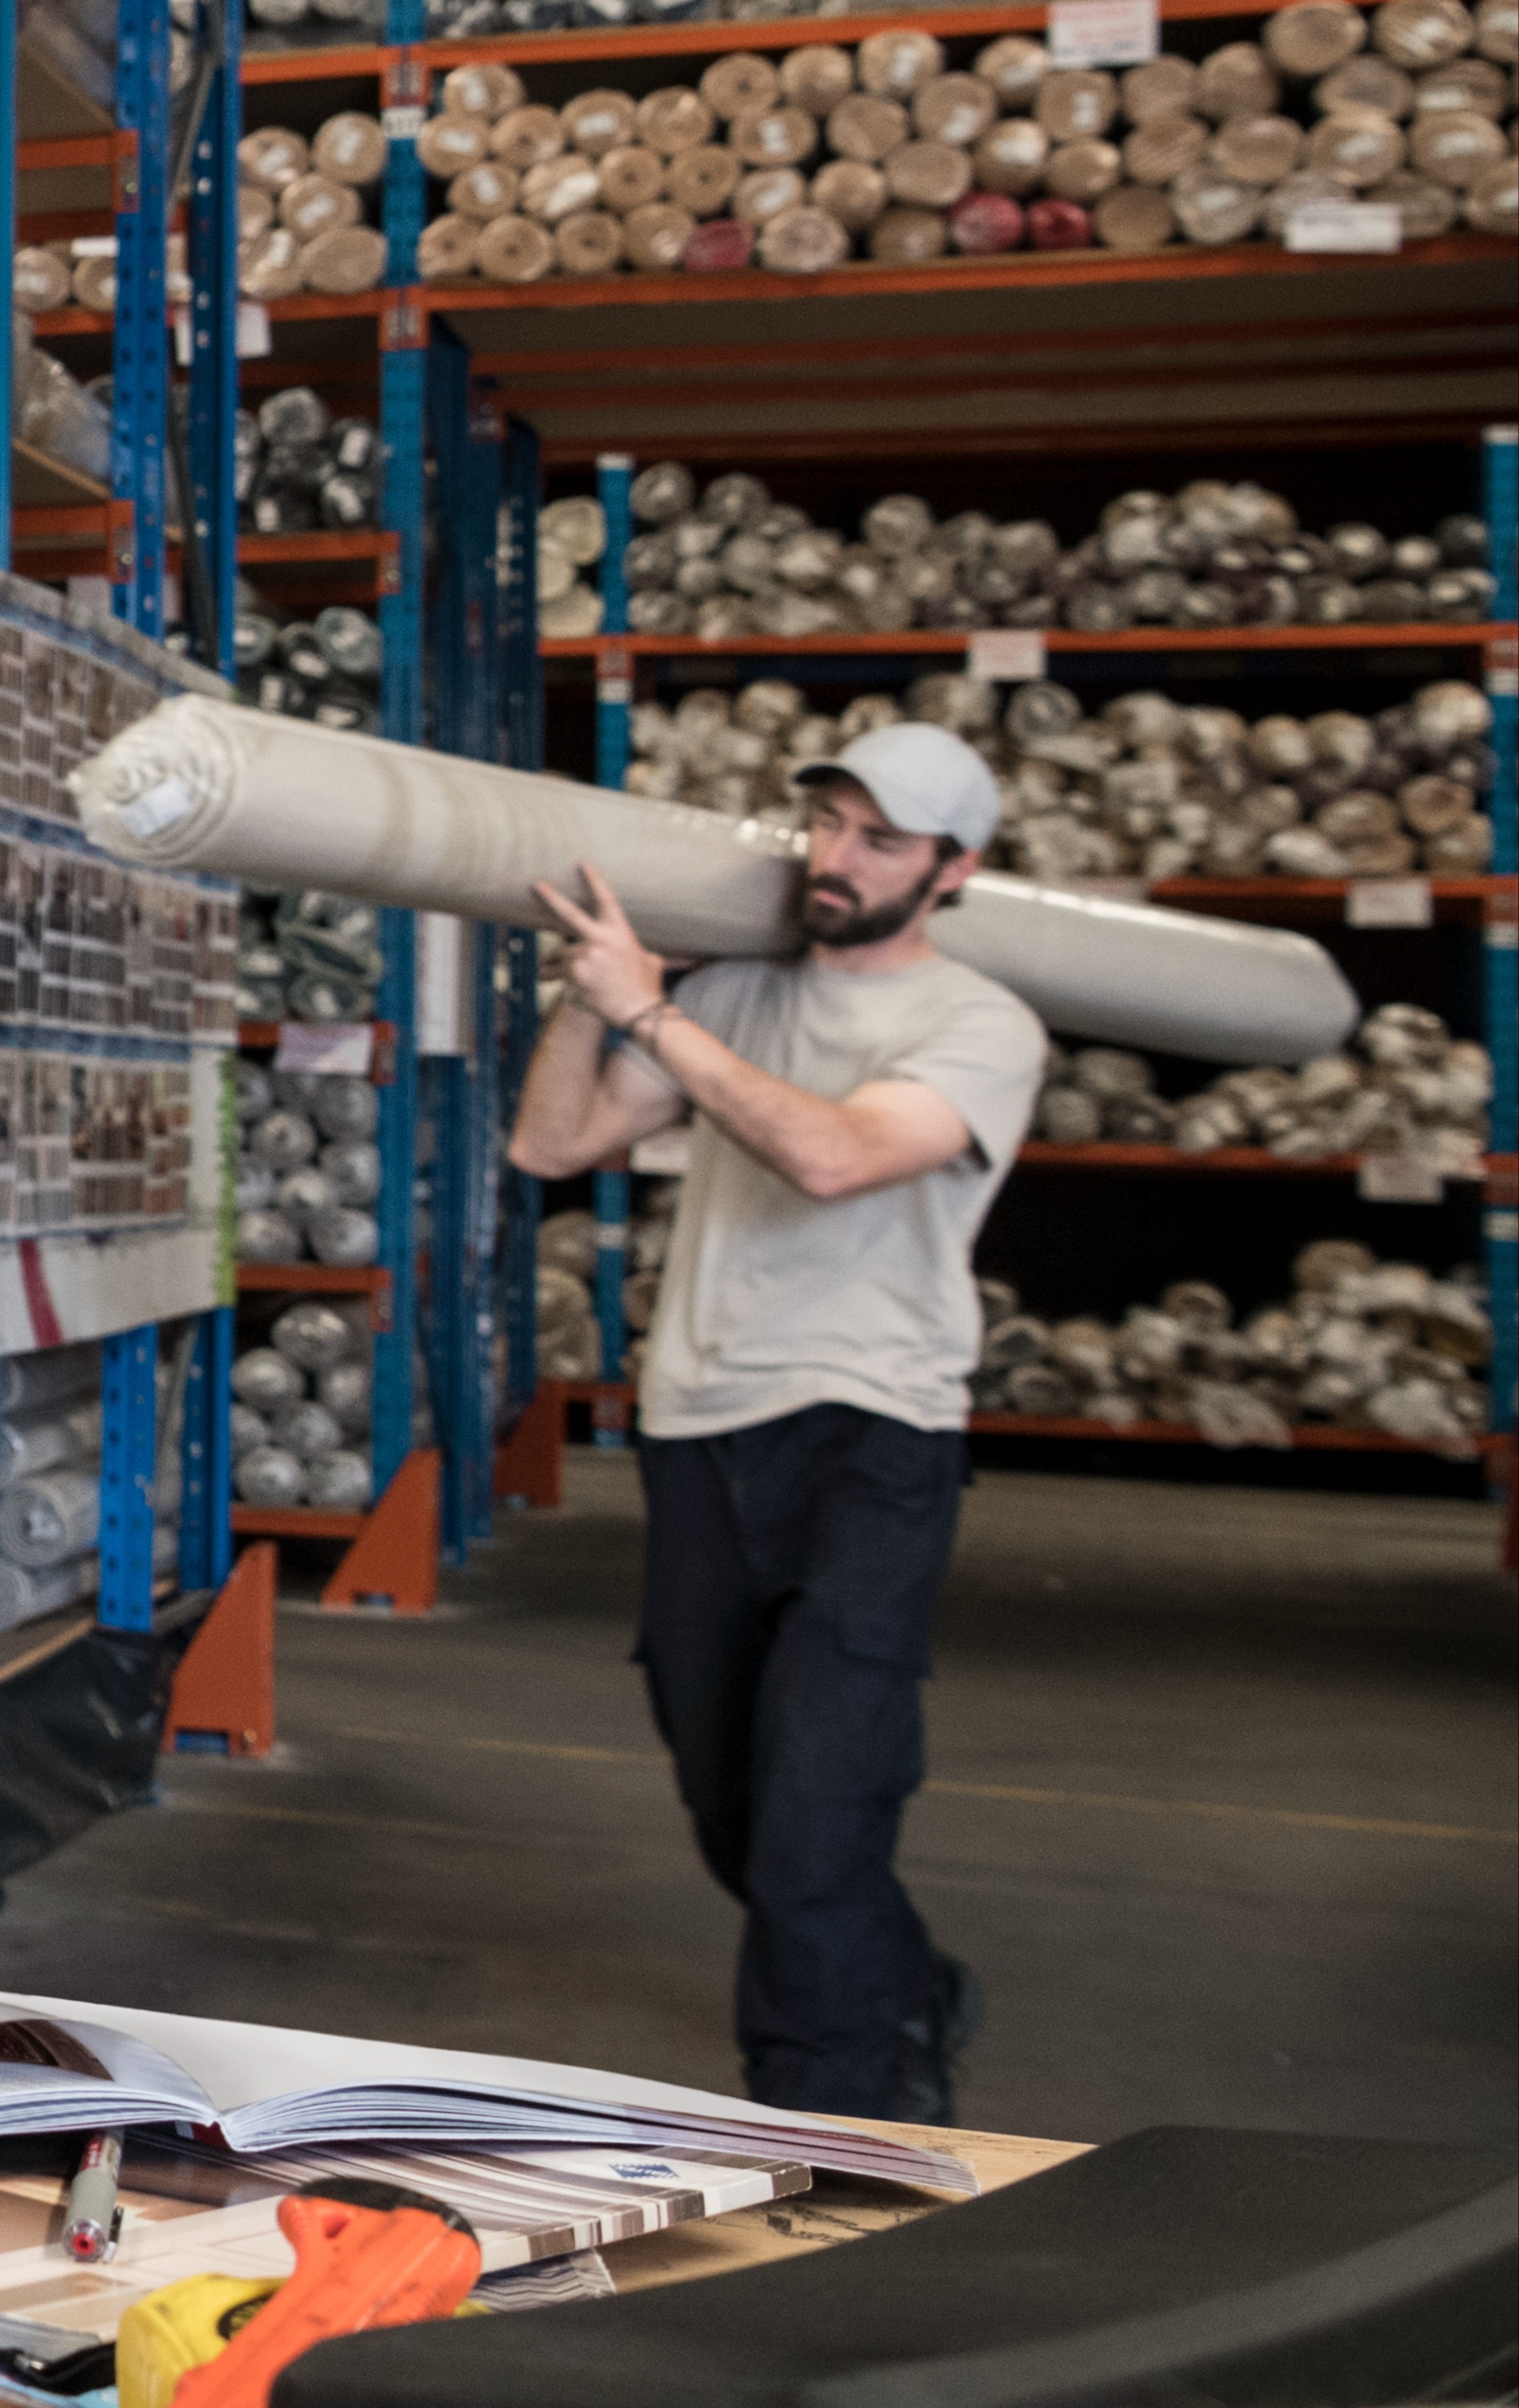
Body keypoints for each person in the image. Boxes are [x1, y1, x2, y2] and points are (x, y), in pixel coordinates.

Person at [506, 722, 1046, 2121]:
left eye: (881, 838)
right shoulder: (734, 991)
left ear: (954, 870)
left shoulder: (981, 1026)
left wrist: (651, 1013)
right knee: (735, 1807)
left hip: (873, 1436)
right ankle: (908, 1981)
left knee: (822, 1800)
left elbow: (832, 1155)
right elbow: (550, 1146)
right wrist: (593, 990)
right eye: (829, 823)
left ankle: (841, 2117)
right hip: (701, 1430)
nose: (840, 856)